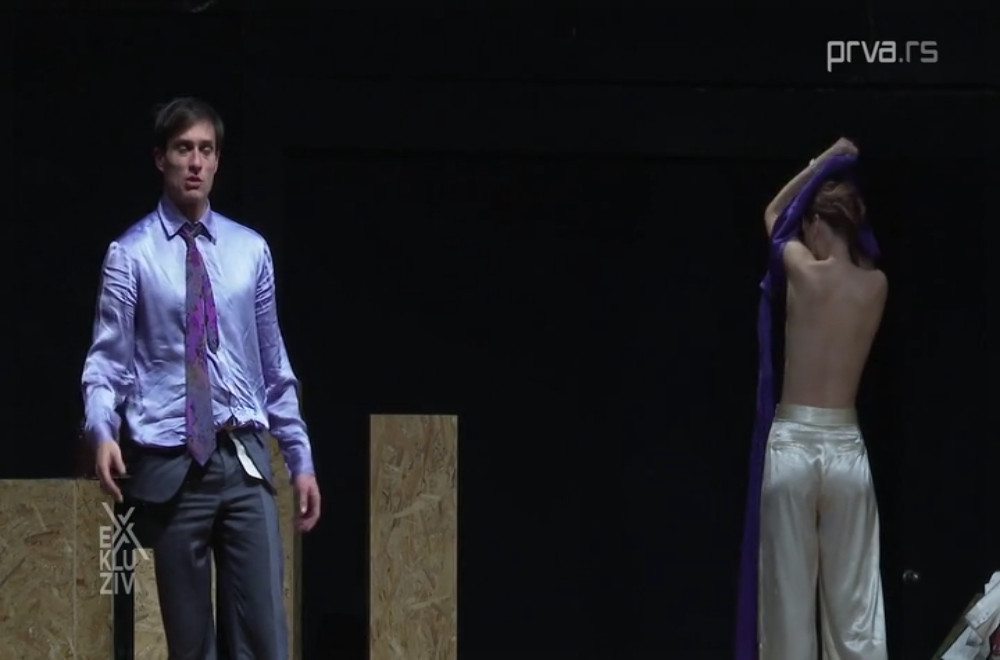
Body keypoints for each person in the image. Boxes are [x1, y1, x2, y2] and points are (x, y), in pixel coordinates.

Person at [81, 96, 320, 660]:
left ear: (217, 161)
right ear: (160, 157)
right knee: (190, 647)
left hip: (242, 460)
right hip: (171, 466)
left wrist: (300, 458)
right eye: (183, 148)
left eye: (206, 150)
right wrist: (102, 430)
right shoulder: (131, 254)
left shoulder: (249, 251)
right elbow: (107, 363)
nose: (195, 162)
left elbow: (273, 365)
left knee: (264, 637)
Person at [748, 137, 888, 660]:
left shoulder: (803, 272)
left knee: (787, 606)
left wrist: (822, 162)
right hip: (846, 449)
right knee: (855, 609)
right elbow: (855, 251)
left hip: (793, 448)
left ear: (813, 223)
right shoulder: (876, 286)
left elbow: (773, 212)